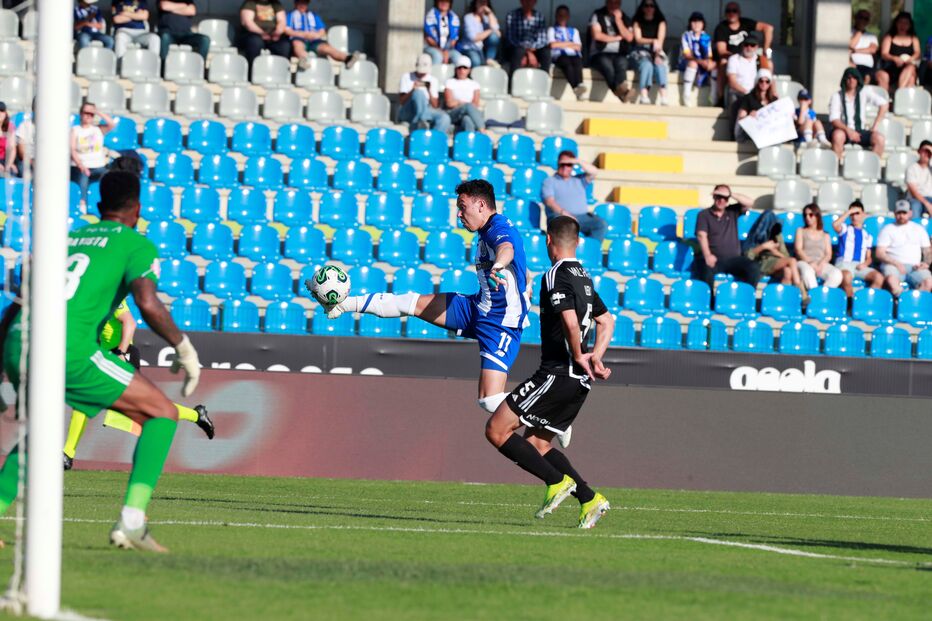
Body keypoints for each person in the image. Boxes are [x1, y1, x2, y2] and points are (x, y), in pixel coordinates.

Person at [0, 170, 203, 552]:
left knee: (40, 436)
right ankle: (131, 521)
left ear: (98, 206)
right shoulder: (135, 244)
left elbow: (16, 306)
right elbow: (146, 302)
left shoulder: (65, 240)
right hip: (67, 347)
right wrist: (183, 346)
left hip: (18, 341)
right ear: (138, 208)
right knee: (162, 412)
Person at [313, 179, 528, 416]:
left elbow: (507, 248)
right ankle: (343, 305)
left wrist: (498, 266)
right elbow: (522, 268)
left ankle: (548, 409)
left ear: (480, 205)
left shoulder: (499, 228)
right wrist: (524, 284)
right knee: (410, 302)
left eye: (462, 206)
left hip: (499, 324)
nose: (458, 214)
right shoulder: (488, 229)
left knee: (489, 400)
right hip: (476, 308)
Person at [484, 216, 612, 529]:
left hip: (557, 373)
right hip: (580, 381)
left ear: (548, 241)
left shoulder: (554, 274)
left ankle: (556, 483)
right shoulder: (584, 277)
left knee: (496, 430)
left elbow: (570, 322)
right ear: (579, 242)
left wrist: (580, 354)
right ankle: (589, 498)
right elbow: (607, 321)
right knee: (539, 445)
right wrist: (596, 357)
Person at [62, 297, 215, 470]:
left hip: (121, 355)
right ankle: (67, 454)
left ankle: (196, 416)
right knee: (84, 401)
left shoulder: (111, 296)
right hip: (105, 357)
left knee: (147, 407)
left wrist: (121, 352)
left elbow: (130, 323)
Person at [692, 184, 760, 287]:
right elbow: (701, 235)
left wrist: (730, 194)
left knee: (753, 268)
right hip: (714, 259)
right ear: (714, 197)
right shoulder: (704, 215)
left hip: (734, 259)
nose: (721, 200)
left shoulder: (732, 211)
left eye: (725, 198)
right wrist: (707, 255)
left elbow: (750, 202)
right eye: (719, 197)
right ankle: (710, 301)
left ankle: (744, 299)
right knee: (705, 272)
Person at [713, 2, 773, 104]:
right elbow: (721, 50)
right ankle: (720, 97)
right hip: (733, 58)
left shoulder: (745, 23)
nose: (731, 13)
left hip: (750, 57)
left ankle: (768, 95)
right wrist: (737, 58)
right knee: (723, 63)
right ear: (725, 13)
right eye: (728, 11)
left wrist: (765, 50)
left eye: (734, 11)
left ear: (739, 13)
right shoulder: (721, 28)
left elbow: (768, 28)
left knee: (769, 63)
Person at [542, 151, 606, 241]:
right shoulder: (549, 181)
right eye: (562, 164)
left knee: (600, 224)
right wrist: (564, 213)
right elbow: (549, 201)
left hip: (582, 218)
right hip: (561, 217)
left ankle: (590, 252)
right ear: (558, 164)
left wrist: (577, 161)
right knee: (561, 224)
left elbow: (594, 171)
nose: (565, 167)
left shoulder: (579, 179)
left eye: (568, 164)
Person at [285, 0, 363, 71]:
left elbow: (322, 31)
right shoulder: (290, 15)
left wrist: (315, 35)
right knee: (297, 45)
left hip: (314, 40)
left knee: (326, 48)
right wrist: (302, 34)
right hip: (299, 39)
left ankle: (347, 58)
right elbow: (287, 30)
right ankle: (303, 60)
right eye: (300, 2)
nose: (302, 5)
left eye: (305, 3)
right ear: (295, 3)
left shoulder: (314, 15)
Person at [828, 67, 887, 159]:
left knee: (880, 139)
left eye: (854, 78)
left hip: (860, 130)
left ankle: (870, 169)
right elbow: (834, 119)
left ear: (858, 80)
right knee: (837, 136)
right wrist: (849, 131)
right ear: (844, 80)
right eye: (849, 78)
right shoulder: (837, 96)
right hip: (844, 129)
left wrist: (875, 125)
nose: (851, 80)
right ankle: (837, 167)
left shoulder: (864, 92)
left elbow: (884, 104)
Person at [876, 200, 932, 296]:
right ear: (894, 213)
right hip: (893, 265)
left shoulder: (919, 229)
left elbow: (927, 251)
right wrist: (896, 263)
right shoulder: (888, 229)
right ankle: (901, 301)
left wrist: (926, 263)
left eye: (904, 212)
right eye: (899, 213)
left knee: (928, 282)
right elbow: (879, 253)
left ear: (910, 213)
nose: (901, 215)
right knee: (892, 280)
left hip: (915, 266)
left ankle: (913, 304)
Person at [832, 199, 883, 297]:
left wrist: (866, 263)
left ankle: (864, 303)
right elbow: (835, 225)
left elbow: (869, 257)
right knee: (846, 276)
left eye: (857, 213)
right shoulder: (845, 229)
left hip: (859, 265)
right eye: (852, 214)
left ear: (863, 214)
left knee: (879, 278)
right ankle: (851, 305)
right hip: (844, 263)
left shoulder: (867, 235)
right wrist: (848, 212)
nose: (854, 216)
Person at [71, 101, 115, 207]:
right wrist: (81, 165)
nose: (89, 115)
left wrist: (97, 111)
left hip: (98, 166)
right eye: (86, 112)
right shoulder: (75, 130)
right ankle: (82, 203)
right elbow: (72, 150)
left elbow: (111, 124)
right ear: (81, 113)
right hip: (82, 165)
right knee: (83, 177)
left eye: (91, 113)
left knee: (111, 178)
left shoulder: (98, 129)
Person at [588, 0, 634, 102]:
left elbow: (629, 37)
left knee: (622, 63)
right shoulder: (598, 15)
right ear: (606, 3)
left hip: (619, 53)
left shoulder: (625, 18)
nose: (613, 5)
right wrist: (617, 38)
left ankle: (621, 91)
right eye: (611, 2)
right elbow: (597, 35)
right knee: (607, 65)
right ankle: (623, 92)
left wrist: (618, 21)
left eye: (616, 3)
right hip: (599, 53)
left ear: (620, 4)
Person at [794, 204, 843, 291]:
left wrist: (820, 265)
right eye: (805, 215)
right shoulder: (800, 231)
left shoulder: (825, 235)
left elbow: (828, 254)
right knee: (808, 272)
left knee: (837, 274)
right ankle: (815, 297)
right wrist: (810, 262)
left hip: (821, 264)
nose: (807, 217)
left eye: (811, 215)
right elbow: (798, 250)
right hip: (804, 262)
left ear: (817, 216)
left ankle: (820, 295)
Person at [398, 54, 451, 133]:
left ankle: (433, 140)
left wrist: (429, 90)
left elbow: (435, 105)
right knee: (418, 93)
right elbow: (402, 101)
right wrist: (413, 89)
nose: (421, 74)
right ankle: (421, 120)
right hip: (408, 110)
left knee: (445, 118)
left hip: (426, 109)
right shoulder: (406, 77)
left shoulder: (433, 80)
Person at [746, 221, 803, 291]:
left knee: (787, 271)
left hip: (776, 264)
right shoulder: (758, 235)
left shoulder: (777, 236)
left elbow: (786, 256)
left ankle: (783, 298)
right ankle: (800, 288)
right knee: (792, 260)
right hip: (763, 264)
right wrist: (763, 247)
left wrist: (775, 252)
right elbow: (748, 256)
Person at [631, 0, 668, 105]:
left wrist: (657, 55)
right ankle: (644, 94)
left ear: (655, 8)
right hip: (640, 50)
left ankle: (664, 95)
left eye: (652, 6)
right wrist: (652, 41)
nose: (649, 8)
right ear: (642, 8)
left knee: (660, 66)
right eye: (646, 5)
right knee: (646, 65)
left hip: (656, 50)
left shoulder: (661, 22)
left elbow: (659, 42)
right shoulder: (637, 22)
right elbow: (638, 39)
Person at [548, 5, 586, 100]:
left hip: (574, 55)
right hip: (559, 56)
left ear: (568, 16)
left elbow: (578, 47)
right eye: (560, 15)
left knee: (577, 61)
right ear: (556, 16)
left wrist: (561, 43)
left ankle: (579, 85)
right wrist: (570, 43)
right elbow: (553, 45)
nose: (562, 17)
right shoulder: (551, 30)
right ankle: (575, 87)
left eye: (564, 15)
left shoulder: (574, 31)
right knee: (566, 63)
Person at [875, 11, 920, 93]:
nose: (903, 25)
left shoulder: (914, 38)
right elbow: (884, 53)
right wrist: (894, 58)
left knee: (911, 71)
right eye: (900, 22)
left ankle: (899, 93)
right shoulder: (889, 37)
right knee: (882, 74)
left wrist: (910, 59)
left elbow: (917, 53)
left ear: (910, 25)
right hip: (891, 67)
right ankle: (886, 101)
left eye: (906, 23)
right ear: (896, 23)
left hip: (907, 67)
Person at [678, 11, 715, 106]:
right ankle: (686, 95)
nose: (696, 24)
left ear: (703, 24)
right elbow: (687, 54)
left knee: (714, 67)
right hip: (687, 63)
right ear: (690, 23)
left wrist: (708, 62)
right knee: (693, 64)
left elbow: (709, 54)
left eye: (699, 22)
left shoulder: (706, 37)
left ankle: (713, 97)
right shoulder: (686, 35)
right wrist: (701, 61)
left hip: (702, 62)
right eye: (694, 21)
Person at [504, 0, 550, 75]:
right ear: (521, 1)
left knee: (546, 53)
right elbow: (510, 38)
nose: (528, 3)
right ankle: (512, 82)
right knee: (518, 51)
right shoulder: (511, 16)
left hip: (534, 48)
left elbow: (543, 39)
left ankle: (543, 81)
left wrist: (531, 51)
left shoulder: (540, 16)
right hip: (517, 48)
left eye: (531, 1)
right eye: (526, 0)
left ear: (535, 2)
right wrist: (527, 52)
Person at [237, 0, 290, 65]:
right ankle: (252, 70)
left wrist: (277, 33)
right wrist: (262, 34)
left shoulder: (276, 4)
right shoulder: (250, 3)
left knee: (284, 45)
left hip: (272, 36)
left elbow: (282, 21)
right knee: (255, 43)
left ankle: (280, 71)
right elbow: (247, 22)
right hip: (253, 35)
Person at [734, 67, 777, 142]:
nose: (764, 83)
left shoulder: (774, 99)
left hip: (769, 131)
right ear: (757, 81)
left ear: (770, 83)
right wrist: (749, 117)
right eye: (761, 81)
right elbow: (741, 117)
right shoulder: (749, 97)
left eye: (767, 81)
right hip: (753, 131)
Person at [444, 56, 484, 133]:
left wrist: (458, 102)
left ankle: (469, 142)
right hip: (453, 113)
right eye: (459, 68)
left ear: (469, 70)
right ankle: (483, 131)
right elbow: (449, 103)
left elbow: (475, 104)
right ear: (456, 69)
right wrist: (463, 104)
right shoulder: (450, 82)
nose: (462, 70)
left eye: (465, 68)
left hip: (468, 113)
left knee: (467, 119)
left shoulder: (475, 84)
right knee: (468, 106)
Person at [458, 0, 500, 68]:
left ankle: (489, 59)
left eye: (485, 3)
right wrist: (491, 30)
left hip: (481, 49)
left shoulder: (487, 18)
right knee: (476, 61)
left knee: (494, 37)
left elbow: (497, 32)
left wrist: (489, 13)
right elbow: (473, 38)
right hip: (469, 48)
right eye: (480, 2)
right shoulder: (468, 17)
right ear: (475, 3)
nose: (483, 5)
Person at [423, 0, 462, 66]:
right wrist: (441, 51)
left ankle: (452, 76)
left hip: (448, 49)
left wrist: (446, 51)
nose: (444, 3)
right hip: (431, 47)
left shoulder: (454, 17)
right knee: (438, 56)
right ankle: (434, 75)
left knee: (457, 57)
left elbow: (454, 39)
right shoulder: (430, 16)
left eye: (447, 1)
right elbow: (428, 38)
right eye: (441, 1)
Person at [725, 34, 759, 106]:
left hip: (756, 96)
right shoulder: (734, 59)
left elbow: (769, 80)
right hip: (738, 94)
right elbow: (732, 82)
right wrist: (747, 93)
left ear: (757, 47)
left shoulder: (761, 60)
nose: (749, 48)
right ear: (742, 46)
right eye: (746, 45)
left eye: (752, 45)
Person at [849, 9, 878, 84]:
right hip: (852, 65)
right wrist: (859, 31)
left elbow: (872, 50)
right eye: (861, 17)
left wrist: (855, 50)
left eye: (866, 19)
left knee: (867, 77)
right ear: (855, 18)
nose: (863, 20)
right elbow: (851, 45)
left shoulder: (871, 36)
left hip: (867, 67)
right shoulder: (848, 32)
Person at [905, 140, 932, 218]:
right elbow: (914, 192)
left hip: (930, 198)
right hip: (916, 199)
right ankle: (915, 228)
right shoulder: (911, 168)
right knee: (915, 206)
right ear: (919, 151)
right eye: (924, 151)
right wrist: (928, 204)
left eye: (929, 152)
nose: (926, 154)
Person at [0, 102, 16, 177]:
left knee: (11, 172)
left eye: (2, 111)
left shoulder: (10, 126)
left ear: (5, 113)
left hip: (5, 159)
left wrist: (9, 165)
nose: (0, 113)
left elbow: (12, 148)